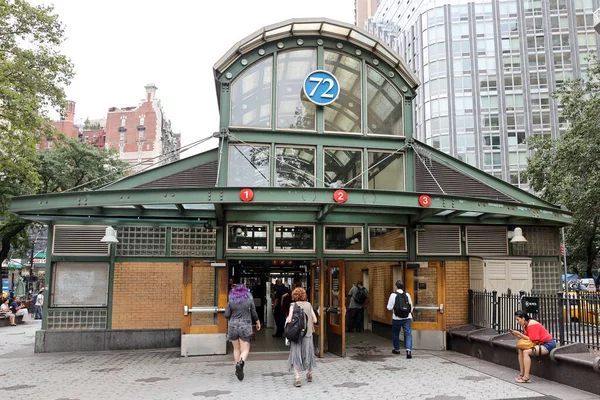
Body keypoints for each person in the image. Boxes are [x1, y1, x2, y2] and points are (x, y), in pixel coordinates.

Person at [224, 284, 260, 381]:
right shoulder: (249, 299)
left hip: (233, 326)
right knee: (245, 349)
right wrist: (257, 322)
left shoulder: (231, 300)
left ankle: (237, 368)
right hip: (245, 325)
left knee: (236, 349)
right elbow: (253, 312)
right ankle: (241, 363)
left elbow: (226, 314)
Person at [510, 310, 556, 384]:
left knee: (526, 352)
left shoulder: (532, 324)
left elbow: (533, 339)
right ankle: (522, 374)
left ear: (523, 318)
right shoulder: (527, 325)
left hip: (547, 344)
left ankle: (526, 378)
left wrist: (519, 334)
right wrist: (517, 335)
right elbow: (528, 338)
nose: (517, 322)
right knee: (520, 349)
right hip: (541, 344)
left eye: (518, 320)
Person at [286, 287, 317, 387]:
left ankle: (297, 378)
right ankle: (309, 374)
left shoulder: (293, 305)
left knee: (295, 354)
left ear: (294, 295)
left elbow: (290, 320)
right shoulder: (308, 305)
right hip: (308, 334)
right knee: (308, 353)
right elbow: (315, 320)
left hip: (296, 334)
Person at [387, 280, 413, 359]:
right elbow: (411, 308)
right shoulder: (407, 295)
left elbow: (389, 307)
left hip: (396, 318)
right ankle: (408, 350)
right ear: (402, 286)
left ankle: (397, 349)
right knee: (408, 334)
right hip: (407, 318)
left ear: (396, 286)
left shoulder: (393, 295)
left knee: (395, 334)